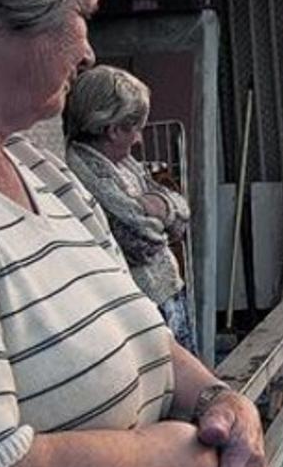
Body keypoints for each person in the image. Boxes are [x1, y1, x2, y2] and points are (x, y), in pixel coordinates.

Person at [0, 0, 269, 467]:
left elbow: (145, 335)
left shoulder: (43, 174)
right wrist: (197, 458)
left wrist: (228, 404)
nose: (88, 51)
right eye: (81, 13)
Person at [63, 65, 195, 351]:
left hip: (166, 292)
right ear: (112, 130)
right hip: (140, 306)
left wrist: (163, 207)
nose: (138, 140)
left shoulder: (124, 163)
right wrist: (166, 211)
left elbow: (181, 214)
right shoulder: (86, 171)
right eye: (134, 130)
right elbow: (142, 240)